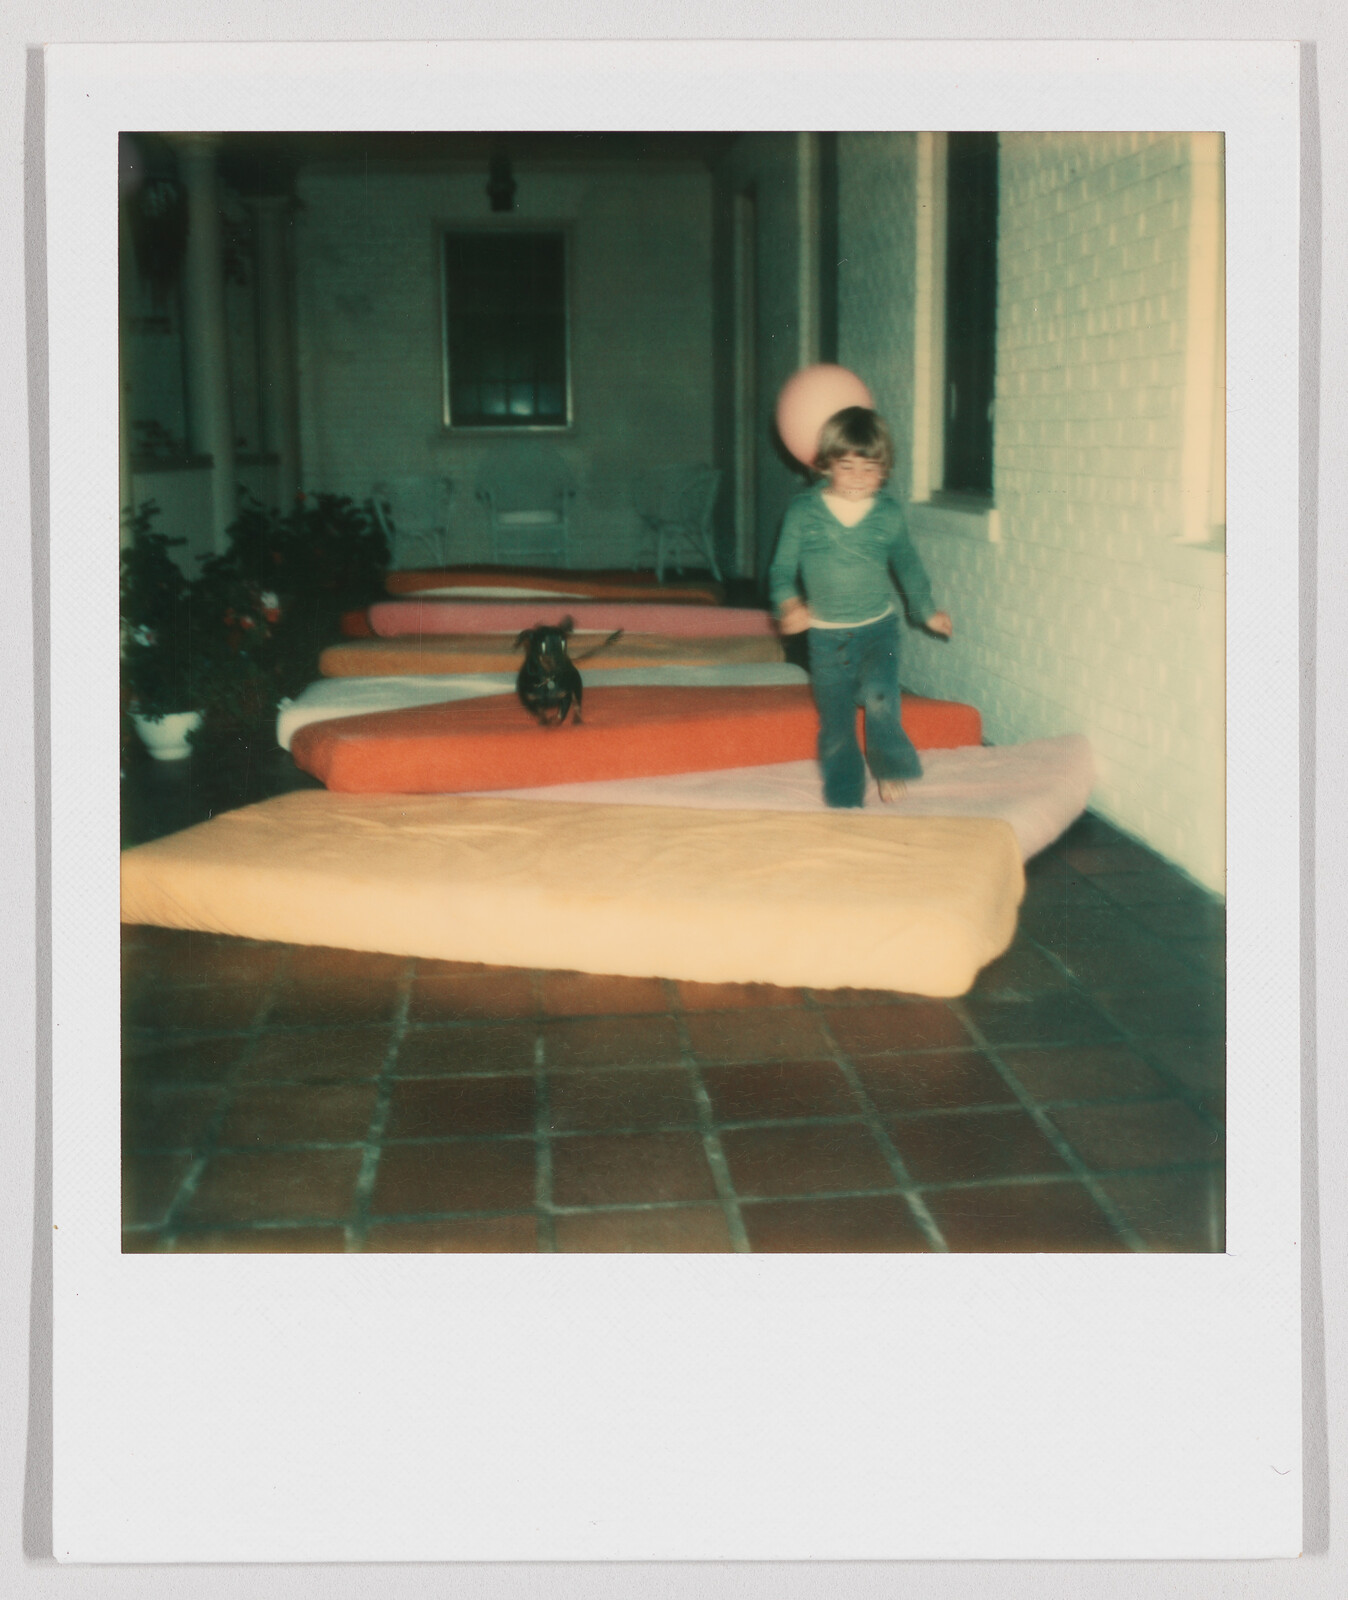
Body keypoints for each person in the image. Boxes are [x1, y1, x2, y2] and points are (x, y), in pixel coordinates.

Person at [768, 406, 954, 808]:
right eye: (847, 466)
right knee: (836, 724)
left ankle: (889, 767)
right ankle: (845, 796)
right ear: (826, 464)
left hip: (878, 630)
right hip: (826, 636)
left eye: (869, 469)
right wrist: (789, 604)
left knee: (881, 698)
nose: (857, 479)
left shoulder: (886, 514)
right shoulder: (803, 512)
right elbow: (781, 571)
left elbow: (908, 564)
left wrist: (926, 611)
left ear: (884, 470)